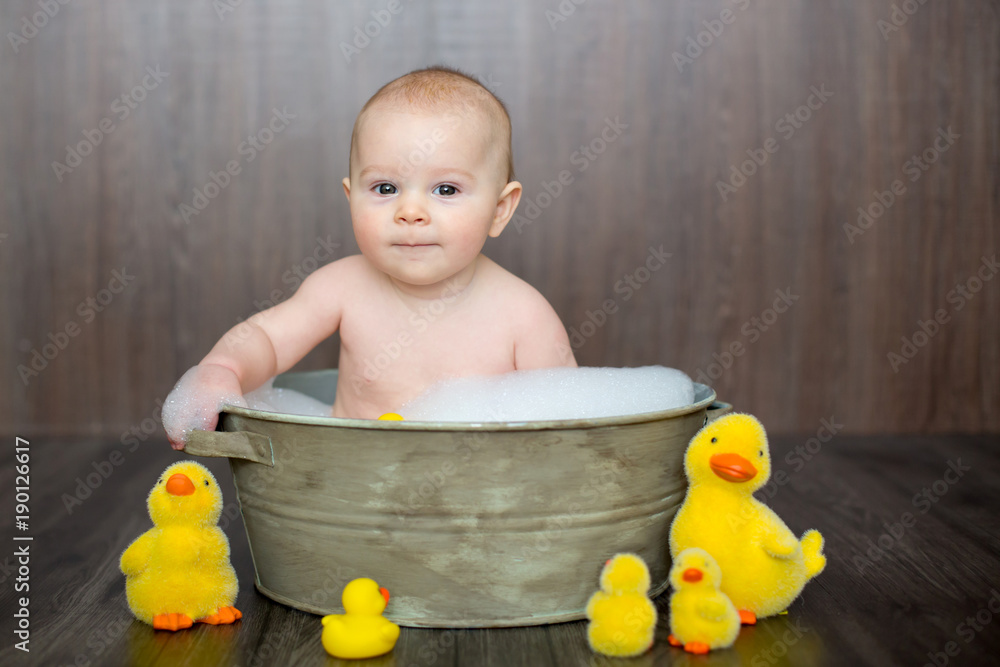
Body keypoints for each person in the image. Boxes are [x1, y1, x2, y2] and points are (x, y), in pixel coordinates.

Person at [162, 66, 576, 449]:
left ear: (500, 209)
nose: (410, 212)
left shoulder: (523, 315)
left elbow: (573, 424)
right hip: (352, 488)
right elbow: (267, 339)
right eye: (384, 189)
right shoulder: (341, 287)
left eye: (446, 190)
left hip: (478, 503)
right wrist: (221, 370)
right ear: (351, 199)